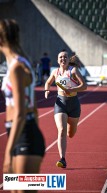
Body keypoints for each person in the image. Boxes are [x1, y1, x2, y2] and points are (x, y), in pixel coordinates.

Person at [0, 19, 45, 193]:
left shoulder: (17, 67)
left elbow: (20, 112)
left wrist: (8, 153)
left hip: (25, 134)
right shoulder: (19, 63)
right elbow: (33, 108)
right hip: (22, 132)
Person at [44, 50, 87, 168]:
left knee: (70, 133)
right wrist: (47, 90)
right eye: (60, 57)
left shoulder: (73, 71)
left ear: (68, 60)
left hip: (74, 104)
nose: (63, 59)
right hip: (61, 103)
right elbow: (48, 83)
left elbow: (84, 86)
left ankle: (72, 125)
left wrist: (72, 90)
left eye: (65, 57)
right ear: (58, 60)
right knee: (61, 130)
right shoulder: (55, 72)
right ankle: (62, 159)